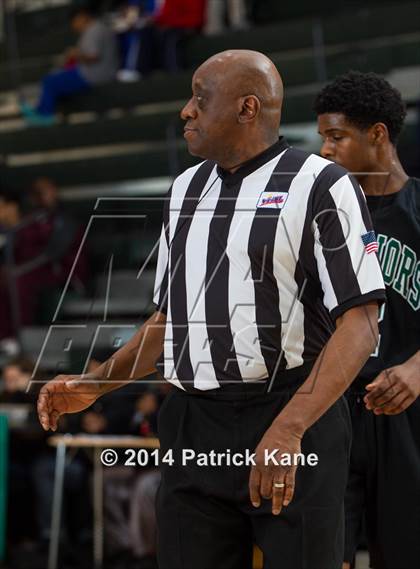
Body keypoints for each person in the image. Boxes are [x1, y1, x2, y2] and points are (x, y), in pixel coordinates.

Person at [37, 50, 386, 569]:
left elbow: (360, 325)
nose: (186, 111)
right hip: (194, 423)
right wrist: (93, 385)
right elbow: (168, 320)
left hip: (292, 414)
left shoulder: (322, 184)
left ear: (247, 108)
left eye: (200, 99)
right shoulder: (184, 190)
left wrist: (289, 429)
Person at [316, 71, 420, 569]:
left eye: (336, 137)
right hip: (334, 412)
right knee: (322, 554)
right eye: (322, 138)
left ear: (377, 134)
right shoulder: (324, 216)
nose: (325, 150)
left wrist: (419, 366)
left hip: (408, 413)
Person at [21, 6, 118, 125]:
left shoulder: (94, 30)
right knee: (55, 77)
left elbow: (93, 57)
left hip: (94, 75)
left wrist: (74, 54)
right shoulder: (98, 28)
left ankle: (44, 116)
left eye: (74, 22)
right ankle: (42, 112)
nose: (74, 26)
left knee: (50, 81)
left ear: (81, 17)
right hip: (98, 72)